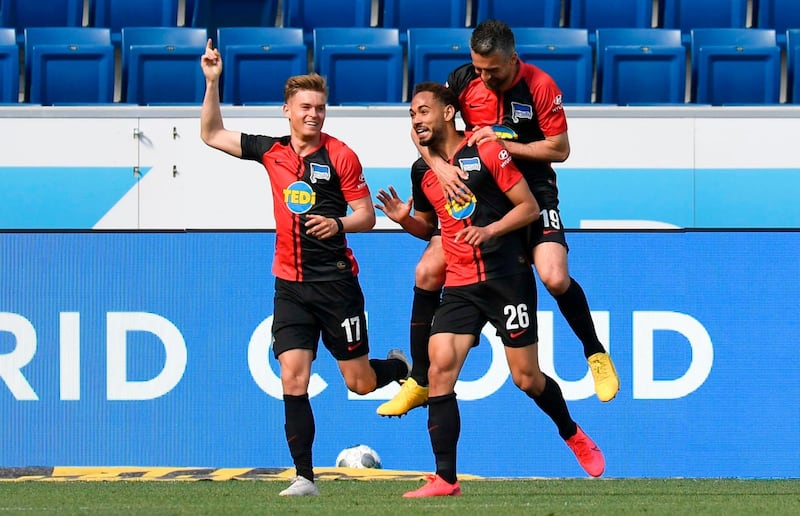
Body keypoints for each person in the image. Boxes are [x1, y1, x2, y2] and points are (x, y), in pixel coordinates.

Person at [376, 19, 618, 418]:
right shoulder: (463, 79)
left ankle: (595, 353)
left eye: (493, 70)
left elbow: (559, 150)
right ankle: (419, 379)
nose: (484, 77)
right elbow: (425, 122)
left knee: (555, 276)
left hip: (531, 192)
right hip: (481, 192)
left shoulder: (540, 87)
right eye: (479, 68)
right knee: (426, 271)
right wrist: (436, 166)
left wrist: (503, 143)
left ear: (513, 58)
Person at [199, 39, 410, 497]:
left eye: (320, 107)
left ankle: (396, 369)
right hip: (290, 286)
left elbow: (366, 216)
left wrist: (337, 223)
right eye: (305, 107)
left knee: (359, 383)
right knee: (292, 376)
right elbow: (212, 135)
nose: (314, 114)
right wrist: (213, 83)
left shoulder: (341, 156)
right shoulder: (271, 150)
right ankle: (304, 477)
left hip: (336, 285)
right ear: (287, 111)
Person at [376, 82, 605, 497]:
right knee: (440, 366)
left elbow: (529, 208)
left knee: (527, 378)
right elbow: (429, 227)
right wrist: (402, 220)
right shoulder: (422, 171)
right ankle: (446, 478)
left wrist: (491, 230)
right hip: (461, 284)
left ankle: (571, 432)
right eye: (412, 115)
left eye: (423, 111)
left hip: (506, 278)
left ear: (448, 113)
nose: (416, 121)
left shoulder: (487, 151)